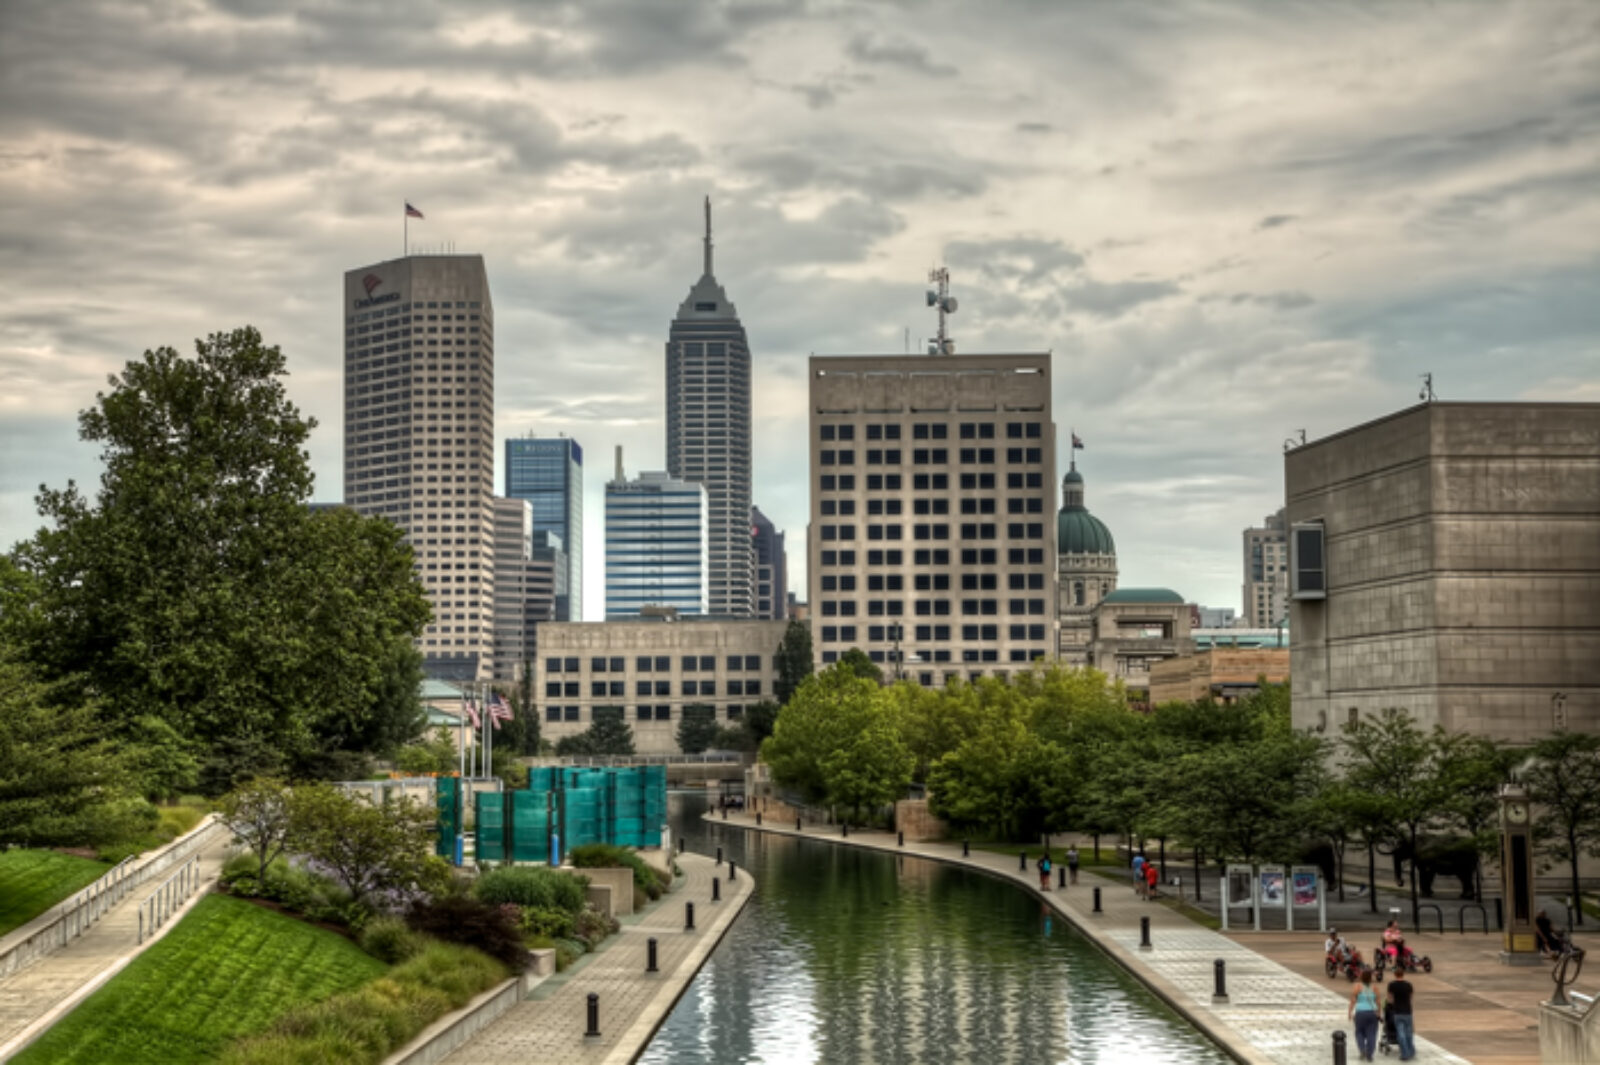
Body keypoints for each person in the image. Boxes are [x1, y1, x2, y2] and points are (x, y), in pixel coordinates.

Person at [1349, 969, 1381, 1061]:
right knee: (1372, 1033)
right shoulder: (1375, 988)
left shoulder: (1357, 987)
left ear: (1361, 977)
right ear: (1371, 978)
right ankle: (1369, 1053)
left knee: (1359, 1032)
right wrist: (1379, 1013)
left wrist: (1350, 1012)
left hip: (1360, 1012)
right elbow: (1378, 1002)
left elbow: (1353, 1001)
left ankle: (1362, 1049)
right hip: (1372, 1012)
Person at [1386, 968, 1415, 1061]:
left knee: (1400, 1033)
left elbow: (1389, 998)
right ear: (1403, 974)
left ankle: (1405, 1053)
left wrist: (1391, 1003)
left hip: (1398, 1011)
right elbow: (1411, 997)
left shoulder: (1392, 985)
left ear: (1395, 975)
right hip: (1407, 1011)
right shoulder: (1408, 985)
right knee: (1409, 1032)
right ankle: (1411, 1051)